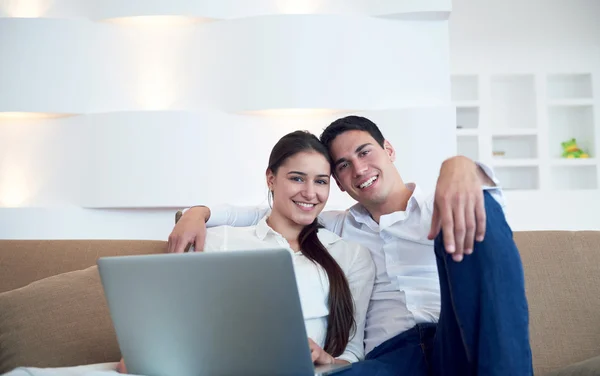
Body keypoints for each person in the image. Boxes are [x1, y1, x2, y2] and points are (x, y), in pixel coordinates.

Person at [169, 115, 533, 376]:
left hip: (458, 336)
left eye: (365, 152)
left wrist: (459, 166)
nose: (358, 169)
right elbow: (266, 212)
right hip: (393, 356)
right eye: (343, 166)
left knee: (474, 203)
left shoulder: (443, 202)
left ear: (388, 149)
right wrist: (196, 213)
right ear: (338, 184)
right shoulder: (336, 226)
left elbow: (485, 228)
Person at [116, 130, 375, 374]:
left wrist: (325, 358)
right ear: (271, 178)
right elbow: (166, 332)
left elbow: (352, 354)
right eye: (297, 178)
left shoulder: (350, 255)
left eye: (321, 181)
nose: (309, 192)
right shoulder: (220, 241)